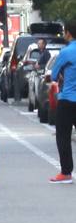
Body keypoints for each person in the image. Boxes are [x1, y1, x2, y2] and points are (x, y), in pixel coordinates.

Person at [43, 20, 76, 183]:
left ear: (68, 33)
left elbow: (54, 75)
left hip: (68, 99)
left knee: (63, 136)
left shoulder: (66, 52)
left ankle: (66, 172)